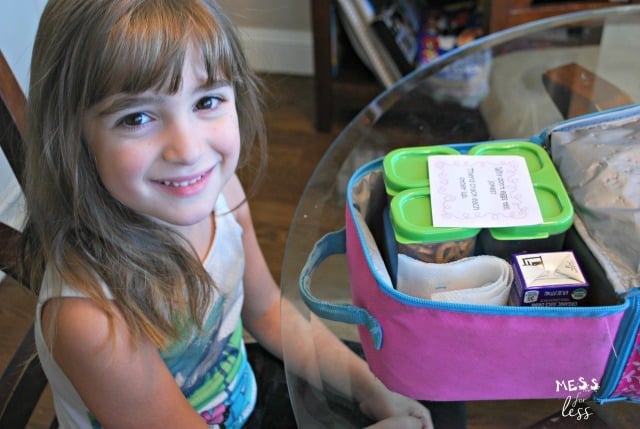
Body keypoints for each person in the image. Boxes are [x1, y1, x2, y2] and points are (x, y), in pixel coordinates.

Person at [19, 1, 436, 428]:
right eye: (137, 117)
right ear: (71, 137)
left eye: (206, 101)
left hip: (242, 393)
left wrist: (369, 387)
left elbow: (269, 311)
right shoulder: (90, 319)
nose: (189, 150)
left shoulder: (224, 195)